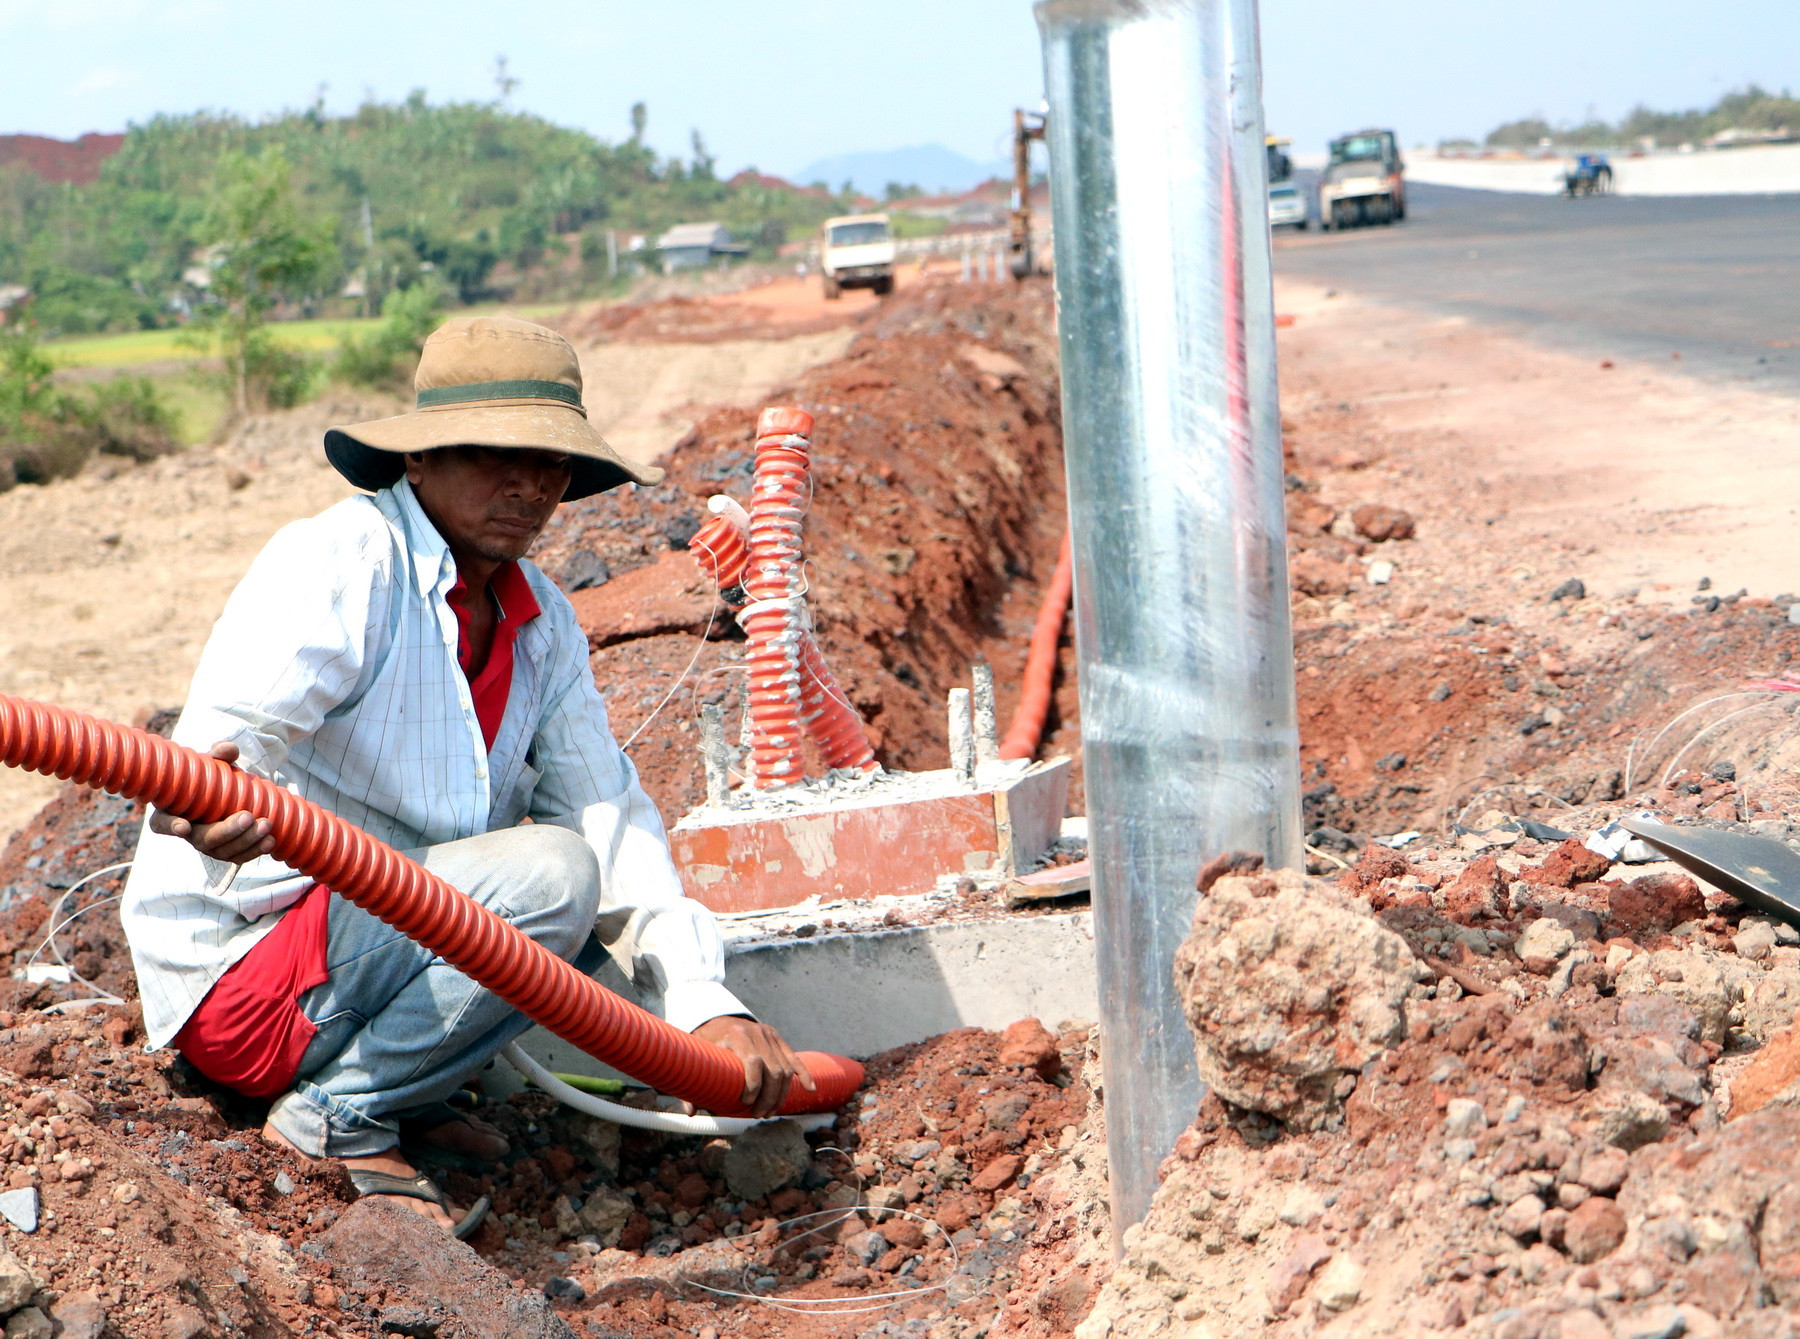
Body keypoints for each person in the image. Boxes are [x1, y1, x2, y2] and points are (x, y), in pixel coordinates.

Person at [121, 316, 812, 1237]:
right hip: (251, 980)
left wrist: (703, 1005)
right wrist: (206, 805)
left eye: (553, 465)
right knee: (553, 877)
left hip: (364, 947)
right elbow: (226, 745)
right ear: (420, 460)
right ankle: (341, 1113)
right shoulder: (342, 561)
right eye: (495, 454)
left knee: (591, 896)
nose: (528, 485)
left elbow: (607, 811)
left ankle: (407, 1087)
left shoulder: (544, 624)